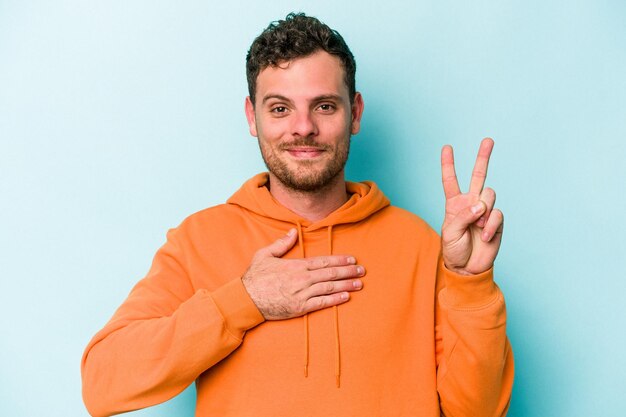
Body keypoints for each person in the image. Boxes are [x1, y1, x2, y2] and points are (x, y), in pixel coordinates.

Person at [81, 12, 513, 417]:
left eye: (324, 106)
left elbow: (478, 409)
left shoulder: (420, 244)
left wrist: (470, 284)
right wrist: (244, 301)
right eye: (280, 108)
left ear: (355, 112)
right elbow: (103, 382)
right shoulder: (199, 239)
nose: (303, 127)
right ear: (253, 117)